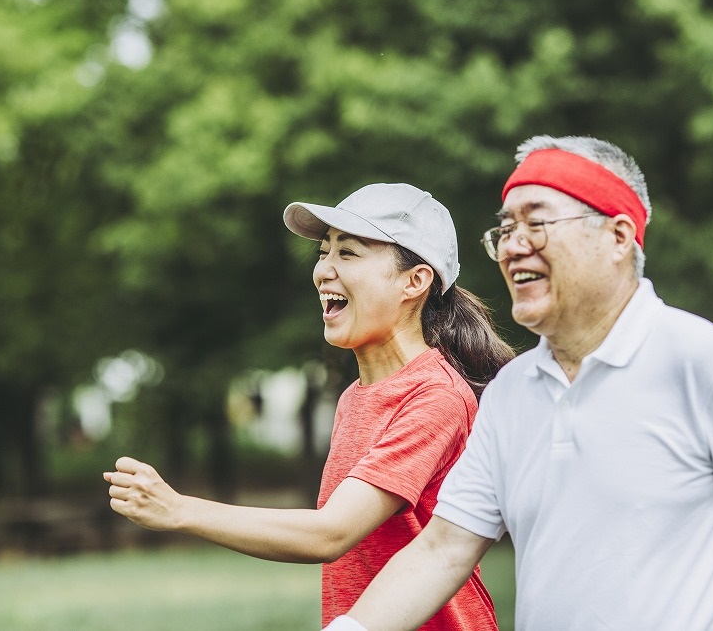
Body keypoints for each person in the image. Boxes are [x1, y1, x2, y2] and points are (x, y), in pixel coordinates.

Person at [324, 137, 713, 631]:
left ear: (618, 236)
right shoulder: (511, 394)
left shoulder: (708, 365)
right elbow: (442, 552)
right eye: (506, 229)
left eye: (536, 222)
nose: (514, 244)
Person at [103, 183, 514, 629]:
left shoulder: (434, 397)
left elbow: (330, 533)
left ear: (414, 281)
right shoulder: (354, 398)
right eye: (323, 253)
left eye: (349, 253)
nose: (323, 271)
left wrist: (180, 510)